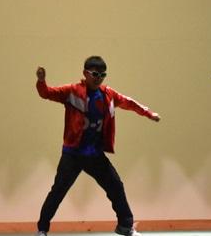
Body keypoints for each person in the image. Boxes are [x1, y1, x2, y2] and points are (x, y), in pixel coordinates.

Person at [35, 56, 160, 236]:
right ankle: (42, 229)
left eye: (102, 75)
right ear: (85, 73)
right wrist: (41, 81)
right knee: (58, 191)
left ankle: (125, 226)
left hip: (94, 155)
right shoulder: (72, 91)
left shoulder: (108, 95)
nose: (98, 78)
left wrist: (148, 113)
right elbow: (47, 93)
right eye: (95, 74)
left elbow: (129, 103)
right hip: (73, 154)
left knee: (116, 186)